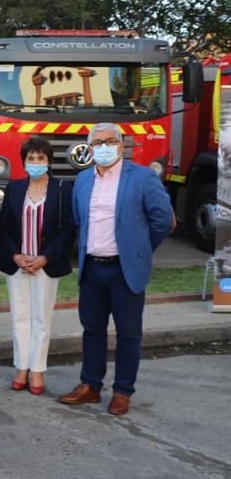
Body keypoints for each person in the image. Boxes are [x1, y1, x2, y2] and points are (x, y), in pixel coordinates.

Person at [58, 123, 172, 415]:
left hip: (125, 270)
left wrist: (139, 251)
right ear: (90, 147)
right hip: (93, 269)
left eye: (110, 141)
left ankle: (122, 391)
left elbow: (163, 221)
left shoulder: (143, 177)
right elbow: (78, 222)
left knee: (129, 333)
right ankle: (91, 386)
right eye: (98, 142)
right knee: (92, 330)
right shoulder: (83, 180)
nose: (104, 147)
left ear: (122, 146)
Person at [0, 138, 75, 395]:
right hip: (18, 264)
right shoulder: (15, 188)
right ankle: (21, 367)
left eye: (41, 158)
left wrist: (44, 258)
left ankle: (37, 370)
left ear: (49, 161)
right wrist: (15, 255)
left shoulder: (62, 189)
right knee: (20, 317)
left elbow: (68, 230)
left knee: (41, 319)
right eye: (31, 158)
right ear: (24, 161)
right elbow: (4, 227)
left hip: (45, 265)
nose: (36, 163)